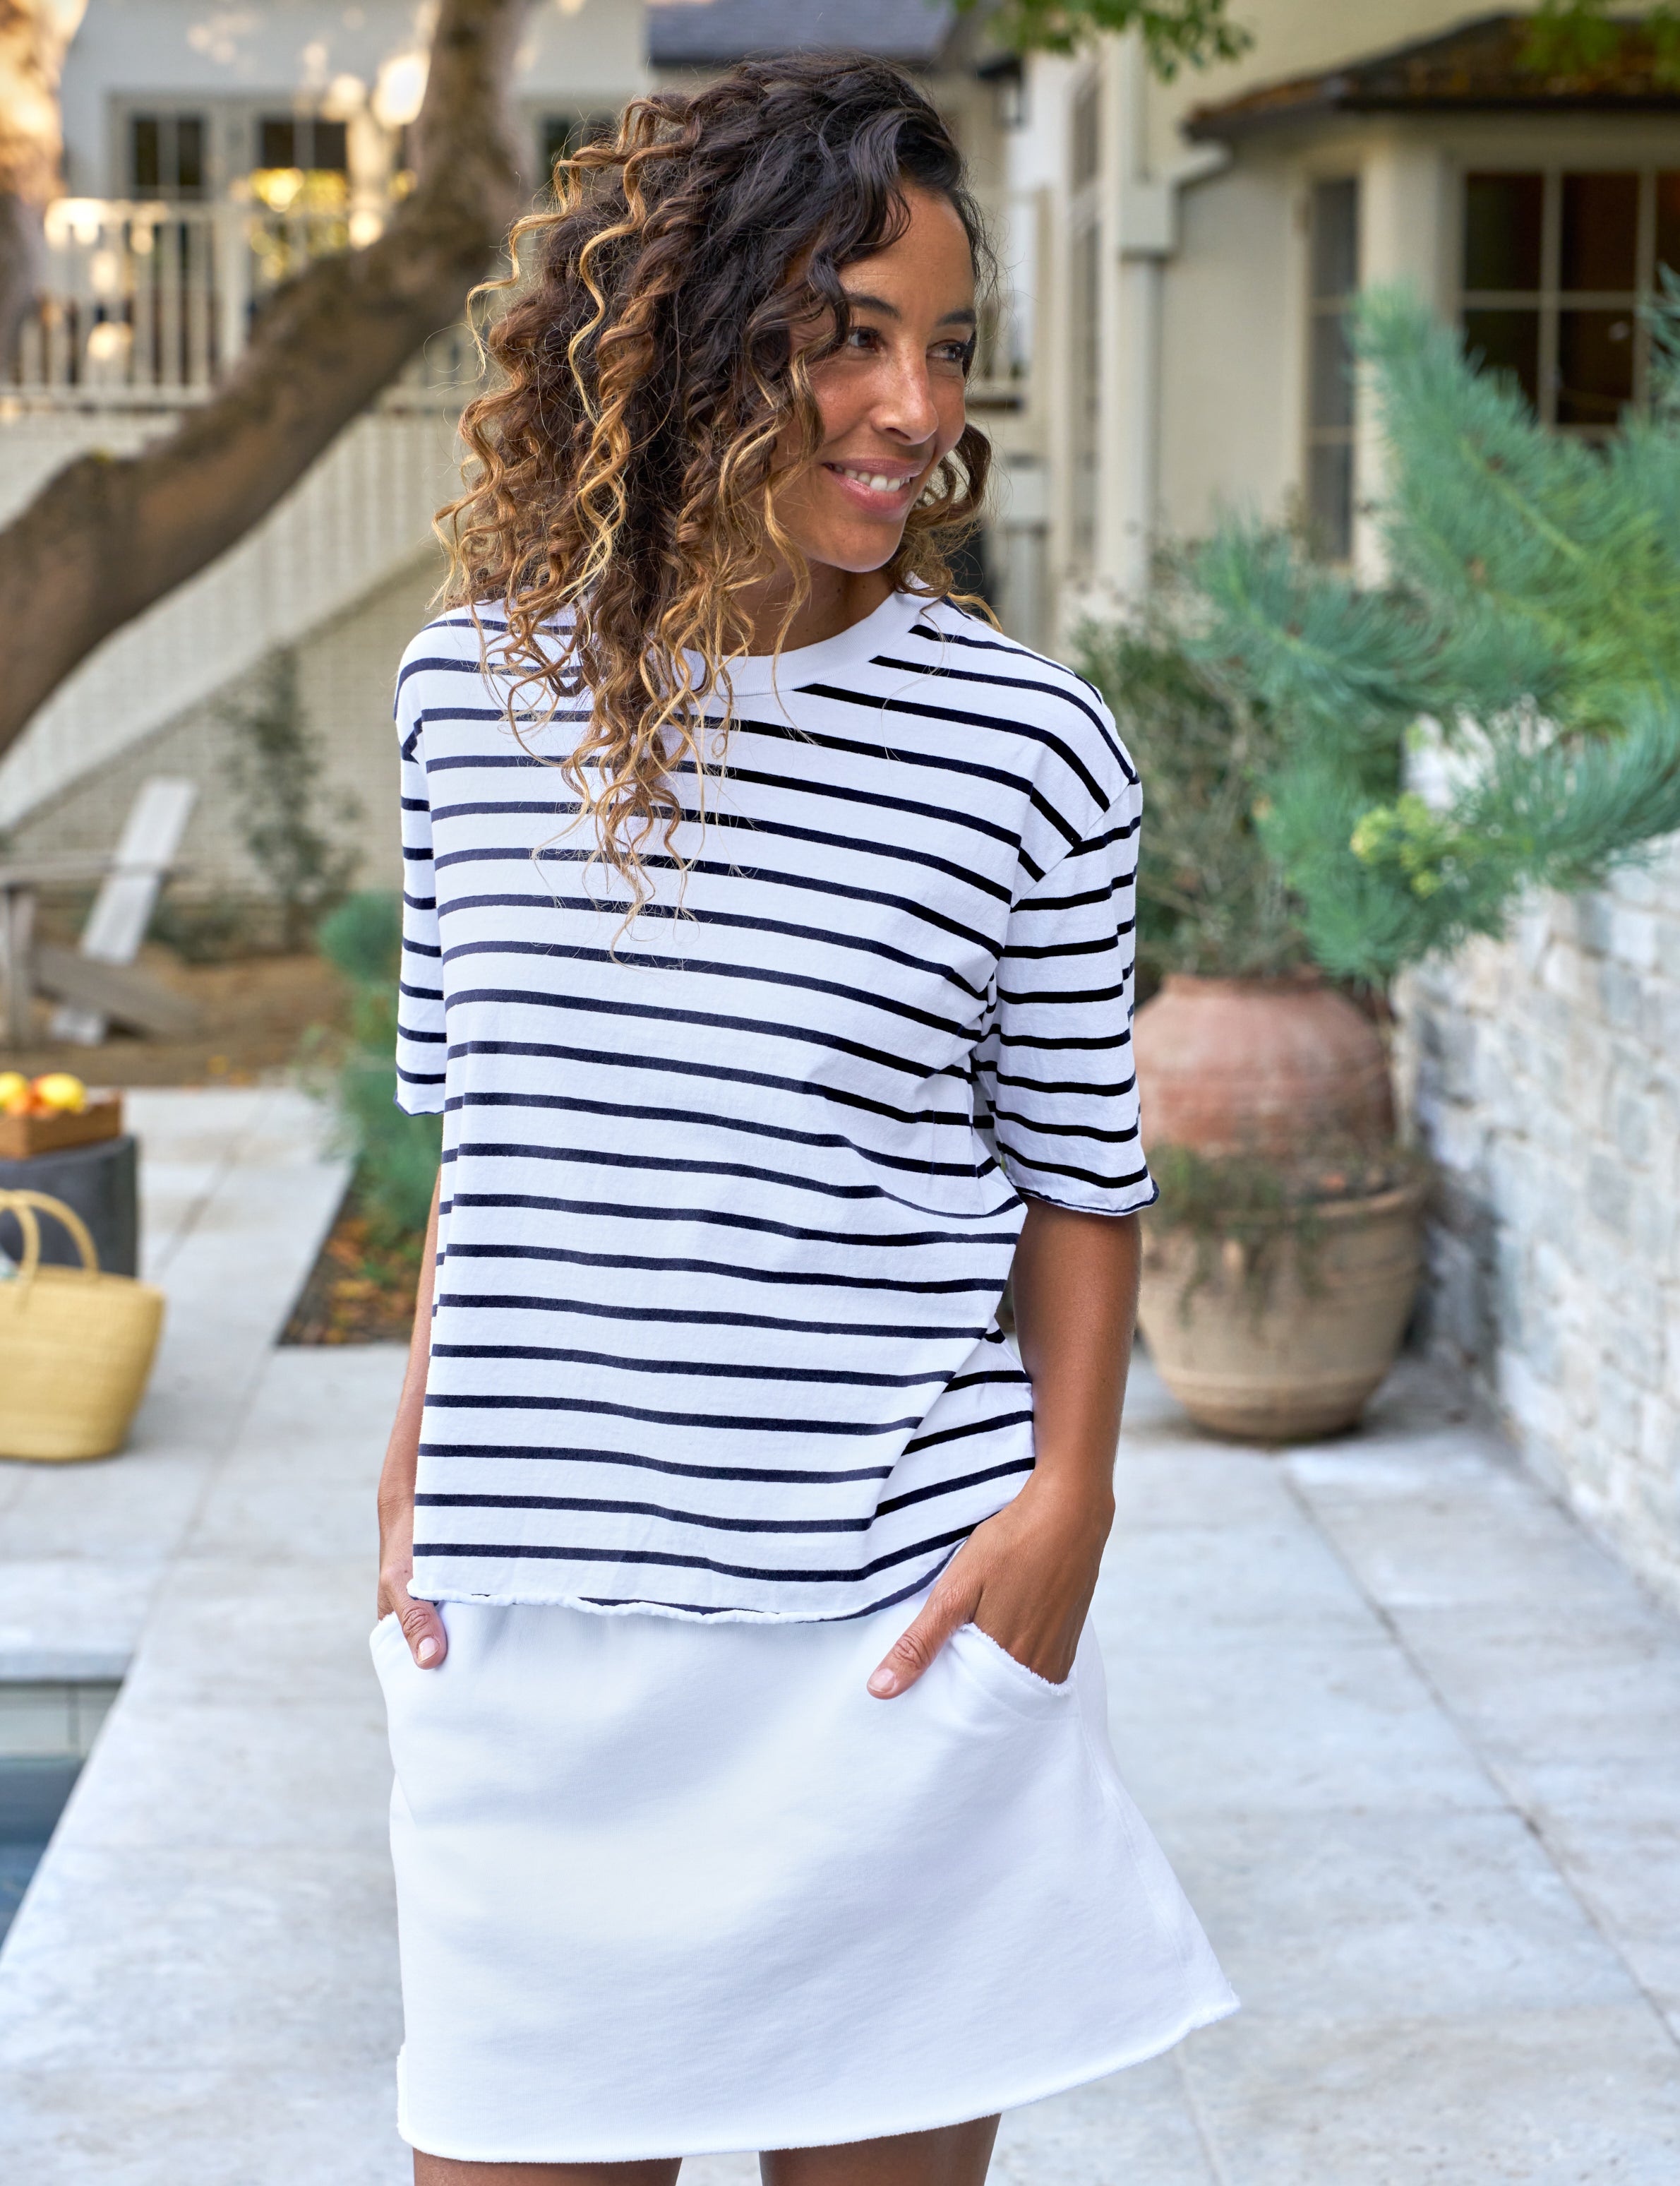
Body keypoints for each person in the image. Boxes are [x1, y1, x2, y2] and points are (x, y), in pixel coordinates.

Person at [371, 52, 1235, 2186]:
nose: (912, 408)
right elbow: (479, 1137)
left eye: (947, 347)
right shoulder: (462, 703)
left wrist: (1072, 1503)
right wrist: (413, 1457)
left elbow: (1080, 1176)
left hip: (890, 1639)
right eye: (844, 336)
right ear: (682, 336)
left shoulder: (1027, 748)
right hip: (540, 1630)